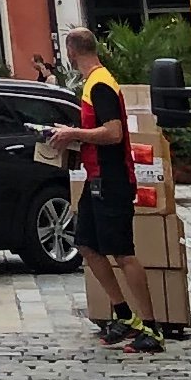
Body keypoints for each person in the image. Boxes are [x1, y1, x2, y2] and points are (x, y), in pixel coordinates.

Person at [54, 26, 165, 352]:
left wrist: (75, 133)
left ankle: (152, 327)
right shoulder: (94, 82)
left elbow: (114, 133)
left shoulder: (100, 84)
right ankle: (124, 313)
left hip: (112, 179)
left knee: (123, 253)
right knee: (86, 244)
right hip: (96, 177)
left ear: (72, 51)